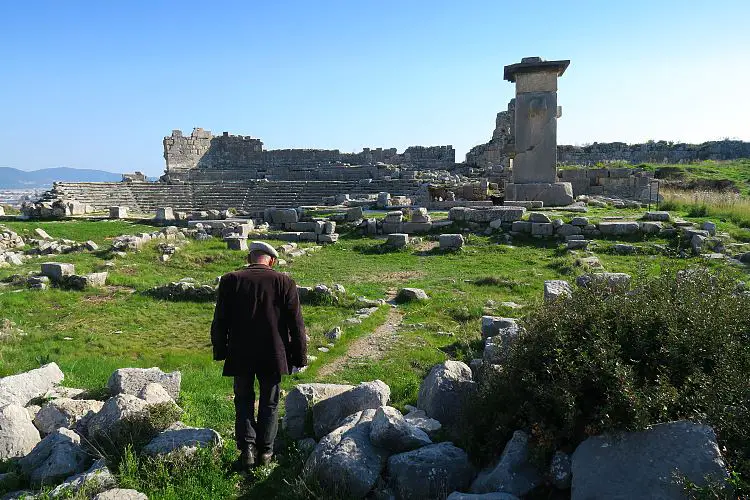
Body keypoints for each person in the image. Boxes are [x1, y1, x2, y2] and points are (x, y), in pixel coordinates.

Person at [211, 241, 307, 471]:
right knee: (270, 403)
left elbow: (219, 321)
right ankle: (266, 451)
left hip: (240, 352)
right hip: (273, 354)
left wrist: (220, 350)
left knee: (242, 399)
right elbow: (297, 325)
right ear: (271, 261)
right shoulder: (284, 281)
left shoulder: (230, 280)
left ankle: (247, 450)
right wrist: (299, 357)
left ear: (249, 259)